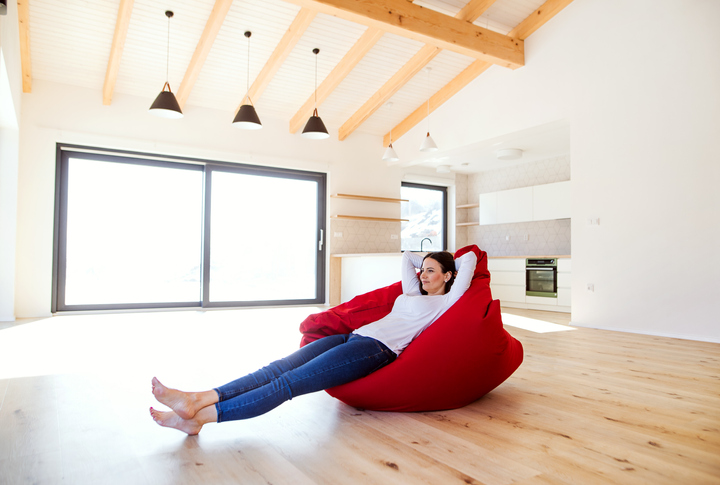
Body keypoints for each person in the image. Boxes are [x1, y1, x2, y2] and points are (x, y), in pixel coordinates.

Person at [150, 249, 477, 435]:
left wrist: (449, 263)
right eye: (424, 270)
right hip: (354, 337)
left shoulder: (446, 301)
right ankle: (197, 398)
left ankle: (202, 418)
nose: (423, 274)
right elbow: (407, 256)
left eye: (432, 271)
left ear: (449, 277)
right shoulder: (411, 292)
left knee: (287, 384)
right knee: (275, 368)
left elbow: (471, 259)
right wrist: (428, 258)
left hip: (373, 350)